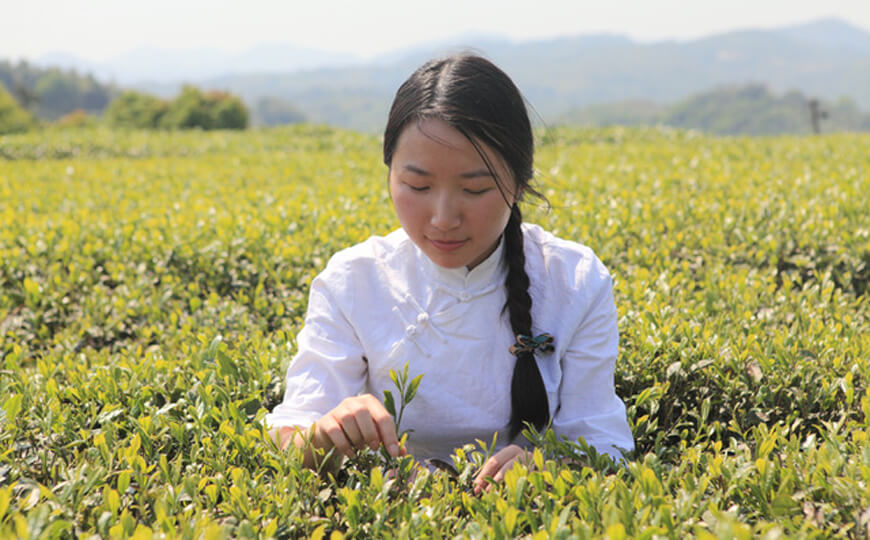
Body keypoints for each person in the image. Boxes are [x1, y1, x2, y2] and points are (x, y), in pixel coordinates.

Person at [265, 54, 634, 492]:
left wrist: (547, 466)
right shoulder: (354, 281)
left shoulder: (574, 281)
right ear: (390, 175)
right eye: (417, 186)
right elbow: (294, 434)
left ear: (518, 182)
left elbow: (604, 441)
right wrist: (325, 435)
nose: (442, 218)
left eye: (474, 189)